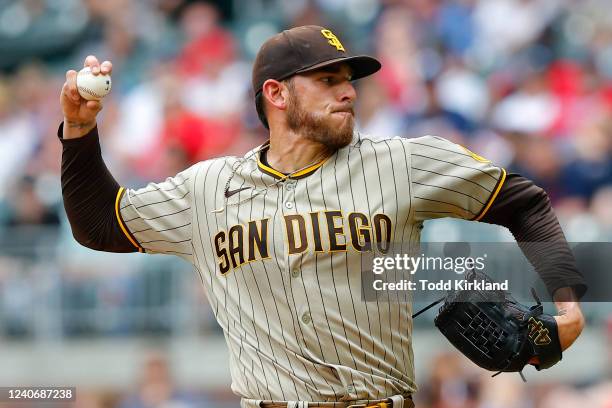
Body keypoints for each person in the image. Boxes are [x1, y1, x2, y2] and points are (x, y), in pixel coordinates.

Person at [58, 25, 586, 408]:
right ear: (276, 93)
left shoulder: (402, 162)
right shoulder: (208, 188)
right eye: (328, 79)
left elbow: (525, 203)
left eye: (349, 79)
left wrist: (569, 304)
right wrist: (79, 133)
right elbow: (99, 225)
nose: (349, 90)